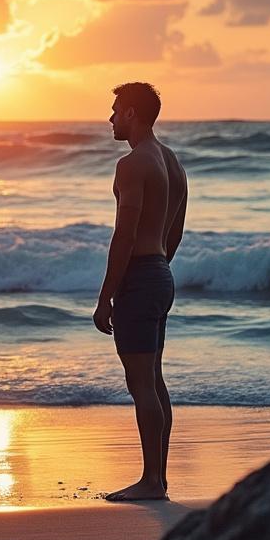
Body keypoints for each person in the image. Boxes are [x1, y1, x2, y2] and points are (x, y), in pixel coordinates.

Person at [93, 83, 187, 502]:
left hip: (141, 277)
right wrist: (159, 267)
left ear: (132, 113)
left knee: (141, 384)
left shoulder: (132, 164)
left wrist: (106, 296)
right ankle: (158, 479)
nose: (111, 118)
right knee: (154, 380)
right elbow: (175, 231)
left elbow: (125, 235)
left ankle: (151, 481)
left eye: (116, 110)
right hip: (161, 273)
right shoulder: (173, 163)